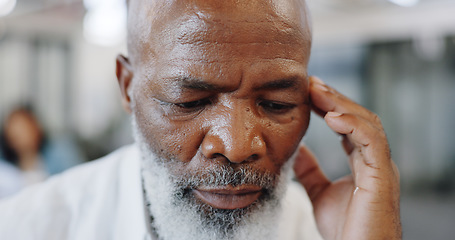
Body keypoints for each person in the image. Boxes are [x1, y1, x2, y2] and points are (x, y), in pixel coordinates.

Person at [0, 0, 401, 239]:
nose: (238, 146)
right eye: (190, 102)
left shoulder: (324, 229)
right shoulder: (31, 229)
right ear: (127, 88)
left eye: (277, 103)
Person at [0, 106, 84, 197]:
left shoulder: (60, 153)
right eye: (14, 134)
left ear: (35, 128)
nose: (19, 138)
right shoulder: (5, 165)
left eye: (23, 130)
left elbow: (77, 182)